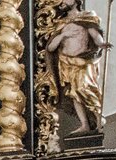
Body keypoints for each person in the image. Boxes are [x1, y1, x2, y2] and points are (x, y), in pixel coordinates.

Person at [47, 0, 109, 134]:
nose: (62, 1)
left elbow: (95, 36)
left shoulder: (86, 17)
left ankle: (99, 119)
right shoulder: (61, 24)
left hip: (83, 61)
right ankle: (84, 124)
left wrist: (102, 43)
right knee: (74, 94)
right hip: (67, 63)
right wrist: (63, 35)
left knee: (84, 88)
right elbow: (51, 47)